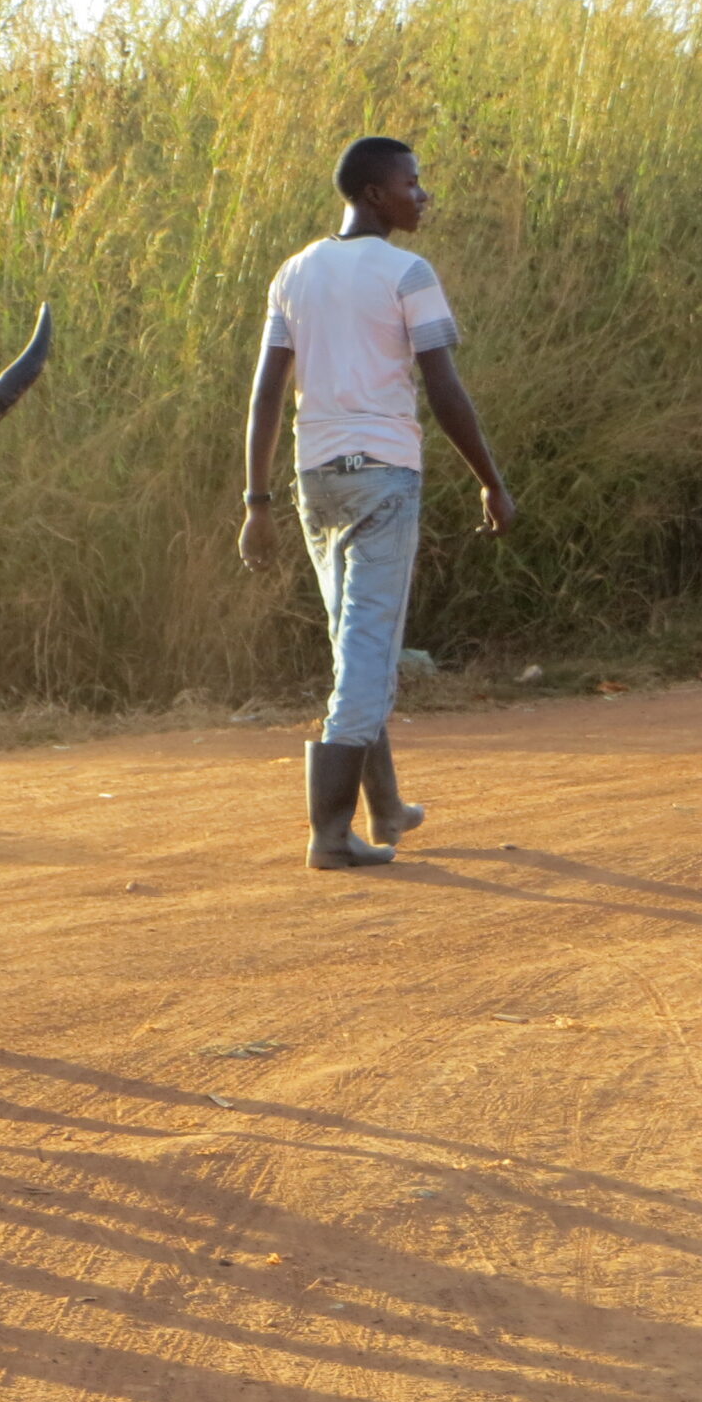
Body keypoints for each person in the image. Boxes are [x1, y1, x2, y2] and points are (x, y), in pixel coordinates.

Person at [239, 136, 516, 870]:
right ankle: (330, 832)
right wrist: (489, 477)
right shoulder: (407, 273)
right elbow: (445, 391)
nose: (422, 195)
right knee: (367, 654)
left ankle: (386, 807)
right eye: (411, 183)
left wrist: (258, 499)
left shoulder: (294, 272)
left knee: (353, 642)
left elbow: (268, 392)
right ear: (372, 194)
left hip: (315, 479)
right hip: (384, 477)